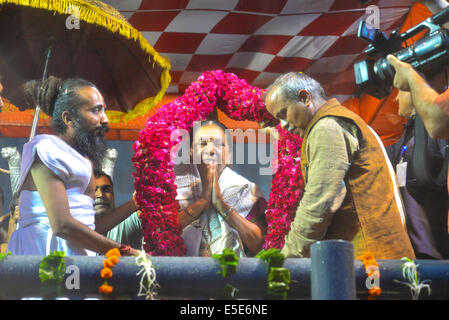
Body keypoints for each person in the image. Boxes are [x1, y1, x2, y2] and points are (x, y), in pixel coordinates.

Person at [263, 72, 415, 259]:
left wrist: (287, 257)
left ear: (305, 98)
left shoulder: (327, 126)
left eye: (283, 114)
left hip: (371, 262)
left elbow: (319, 202)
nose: (283, 125)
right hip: (377, 259)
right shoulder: (335, 120)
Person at [7, 76, 140, 256]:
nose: (105, 120)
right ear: (69, 118)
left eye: (104, 111)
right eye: (96, 111)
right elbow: (63, 226)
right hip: (46, 258)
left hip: (78, 262)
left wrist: (134, 203)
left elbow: (89, 226)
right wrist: (125, 252)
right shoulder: (47, 150)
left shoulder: (84, 161)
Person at [174, 120, 267, 257]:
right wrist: (202, 203)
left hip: (235, 274)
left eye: (219, 144)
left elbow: (260, 245)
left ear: (229, 155)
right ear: (191, 153)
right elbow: (163, 235)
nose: (211, 150)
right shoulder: (174, 188)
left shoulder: (245, 190)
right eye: (203, 143)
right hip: (182, 273)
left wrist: (221, 205)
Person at [386, 90, 449, 259]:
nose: (396, 97)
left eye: (401, 91)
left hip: (439, 252)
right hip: (417, 252)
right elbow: (382, 155)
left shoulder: (438, 130)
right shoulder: (407, 136)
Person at [94, 170, 143, 250]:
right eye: (94, 190)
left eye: (106, 189)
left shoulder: (128, 219)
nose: (100, 195)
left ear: (113, 195)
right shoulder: (73, 225)